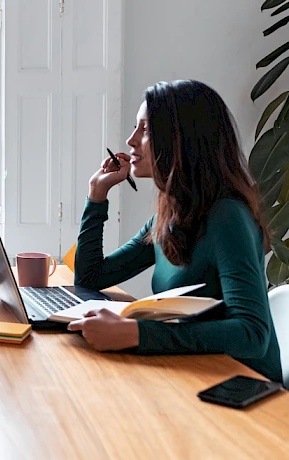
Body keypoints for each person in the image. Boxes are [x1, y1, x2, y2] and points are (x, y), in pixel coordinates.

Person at [68, 79, 282, 383]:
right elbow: (90, 278)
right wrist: (96, 194)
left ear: (180, 140)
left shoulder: (227, 216)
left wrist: (137, 333)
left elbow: (251, 333)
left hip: (242, 387)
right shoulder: (170, 214)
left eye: (144, 130)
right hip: (194, 370)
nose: (131, 140)